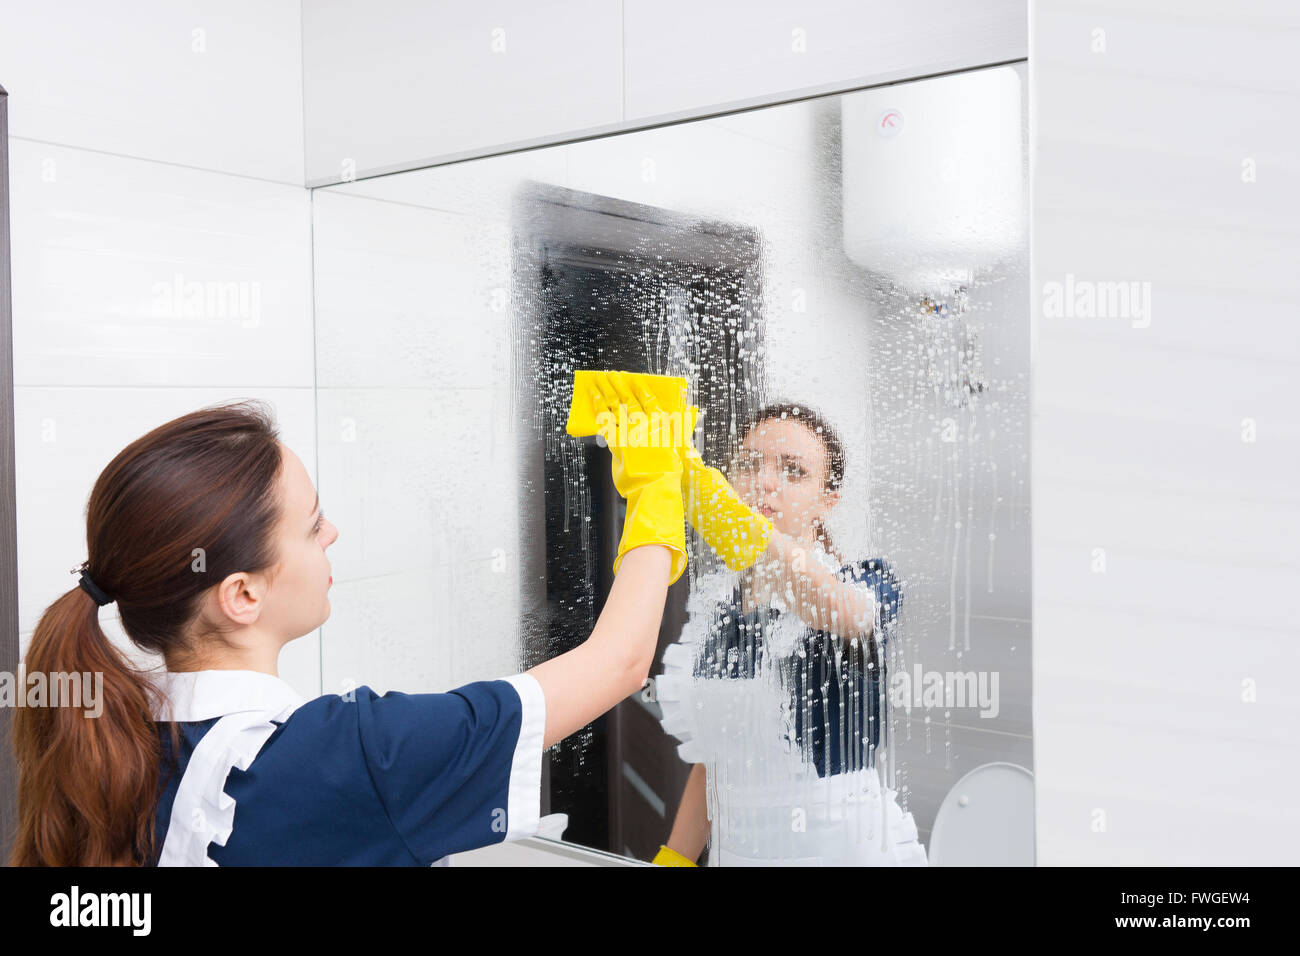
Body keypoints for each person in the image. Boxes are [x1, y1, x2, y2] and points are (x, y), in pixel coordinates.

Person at [10, 371, 686, 866]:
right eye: (310, 527)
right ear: (242, 596)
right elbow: (619, 661)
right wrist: (656, 488)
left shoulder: (115, 748)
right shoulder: (361, 756)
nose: (331, 532)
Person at [652, 401, 928, 866]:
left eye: (793, 471)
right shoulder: (718, 609)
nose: (764, 481)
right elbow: (717, 761)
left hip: (841, 851)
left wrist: (754, 538)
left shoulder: (868, 581)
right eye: (748, 464)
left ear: (827, 499)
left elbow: (839, 611)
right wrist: (674, 859)